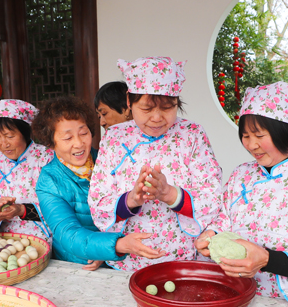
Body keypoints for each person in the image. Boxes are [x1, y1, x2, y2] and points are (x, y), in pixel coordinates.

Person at [195, 82, 288, 303]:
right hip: (232, 293)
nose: (251, 145)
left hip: (283, 304)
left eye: (259, 135)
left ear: (287, 131)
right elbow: (224, 218)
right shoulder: (241, 175)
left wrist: (267, 260)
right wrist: (212, 235)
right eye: (246, 136)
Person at [89, 57, 223, 271]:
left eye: (168, 108)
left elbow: (213, 195)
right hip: (130, 259)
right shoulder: (114, 138)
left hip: (184, 258)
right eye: (147, 109)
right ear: (129, 101)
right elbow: (98, 199)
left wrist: (170, 194)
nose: (157, 118)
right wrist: (131, 199)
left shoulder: (192, 135)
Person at [32, 97, 163, 268]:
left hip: (125, 257)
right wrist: (112, 246)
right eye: (67, 138)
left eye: (83, 133)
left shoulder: (109, 159)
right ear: (50, 143)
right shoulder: (49, 181)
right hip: (80, 263)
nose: (78, 144)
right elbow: (67, 234)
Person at [0, 99, 52, 238]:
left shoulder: (46, 158)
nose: (4, 144)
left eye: (10, 136)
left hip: (45, 238)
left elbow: (59, 203)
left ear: (24, 132)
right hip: (4, 240)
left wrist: (22, 210)